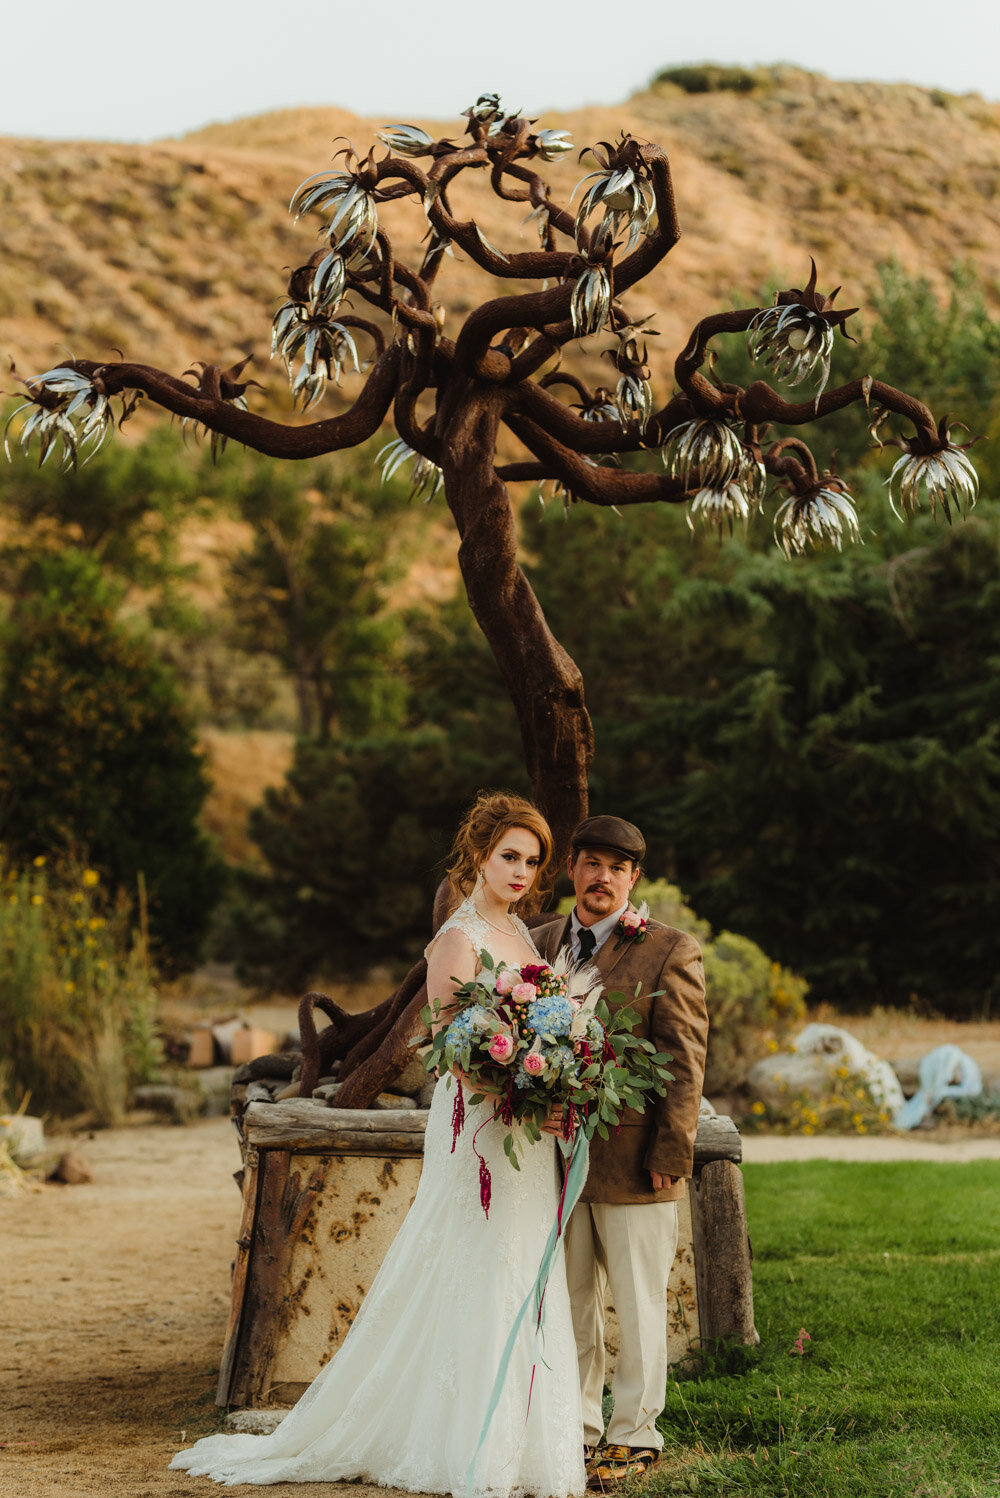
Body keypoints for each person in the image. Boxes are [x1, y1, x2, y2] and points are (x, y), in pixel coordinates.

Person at [170, 790, 586, 1498]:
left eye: (532, 861)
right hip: (482, 1130)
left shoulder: (524, 934)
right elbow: (457, 1053)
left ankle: (524, 1445)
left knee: (524, 1271)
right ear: (480, 855)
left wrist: (560, 1086)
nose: (520, 871)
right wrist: (526, 1089)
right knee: (477, 1266)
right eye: (509, 856)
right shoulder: (459, 939)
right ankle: (465, 1442)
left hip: (527, 1138)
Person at [531, 816, 708, 1489]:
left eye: (617, 867)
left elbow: (684, 1063)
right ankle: (573, 1426)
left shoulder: (668, 949)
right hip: (551, 1162)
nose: (602, 877)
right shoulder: (541, 939)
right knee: (570, 1301)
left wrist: (672, 1149)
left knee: (637, 1304)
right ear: (572, 868)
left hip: (636, 1160)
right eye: (592, 863)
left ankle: (634, 1430)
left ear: (634, 880)